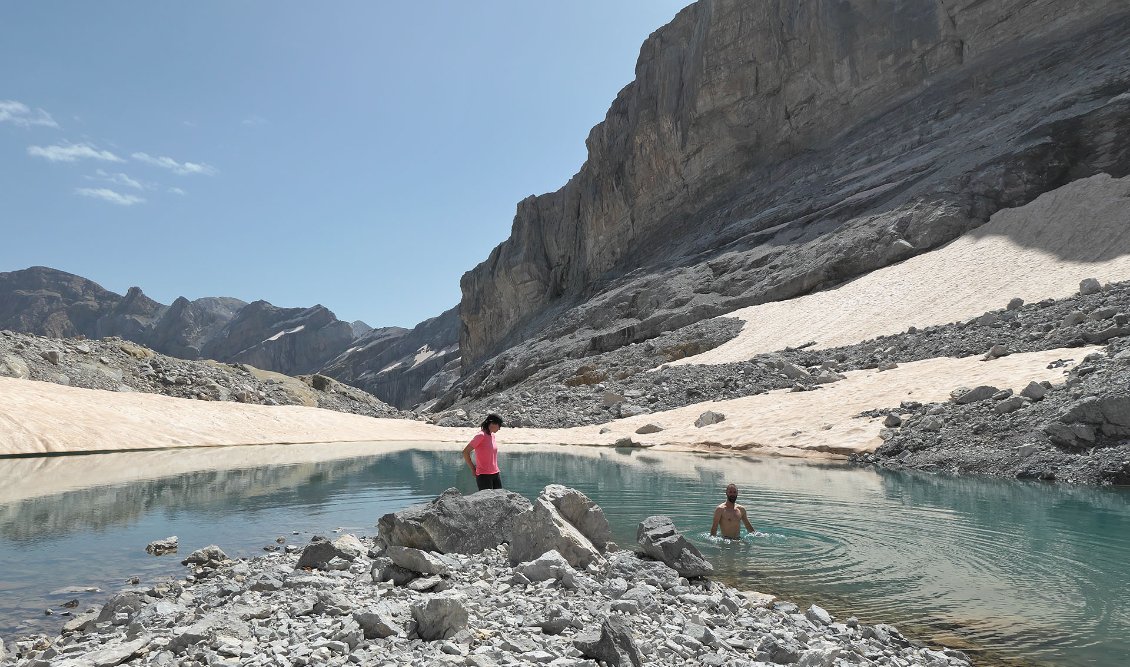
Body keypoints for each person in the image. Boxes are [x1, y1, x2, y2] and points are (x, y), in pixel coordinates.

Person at [463, 414, 504, 491]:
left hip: (496, 473)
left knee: (500, 500)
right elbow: (465, 452)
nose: (499, 428)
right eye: (499, 425)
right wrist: (472, 468)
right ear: (492, 424)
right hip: (483, 475)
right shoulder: (480, 435)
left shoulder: (492, 436)